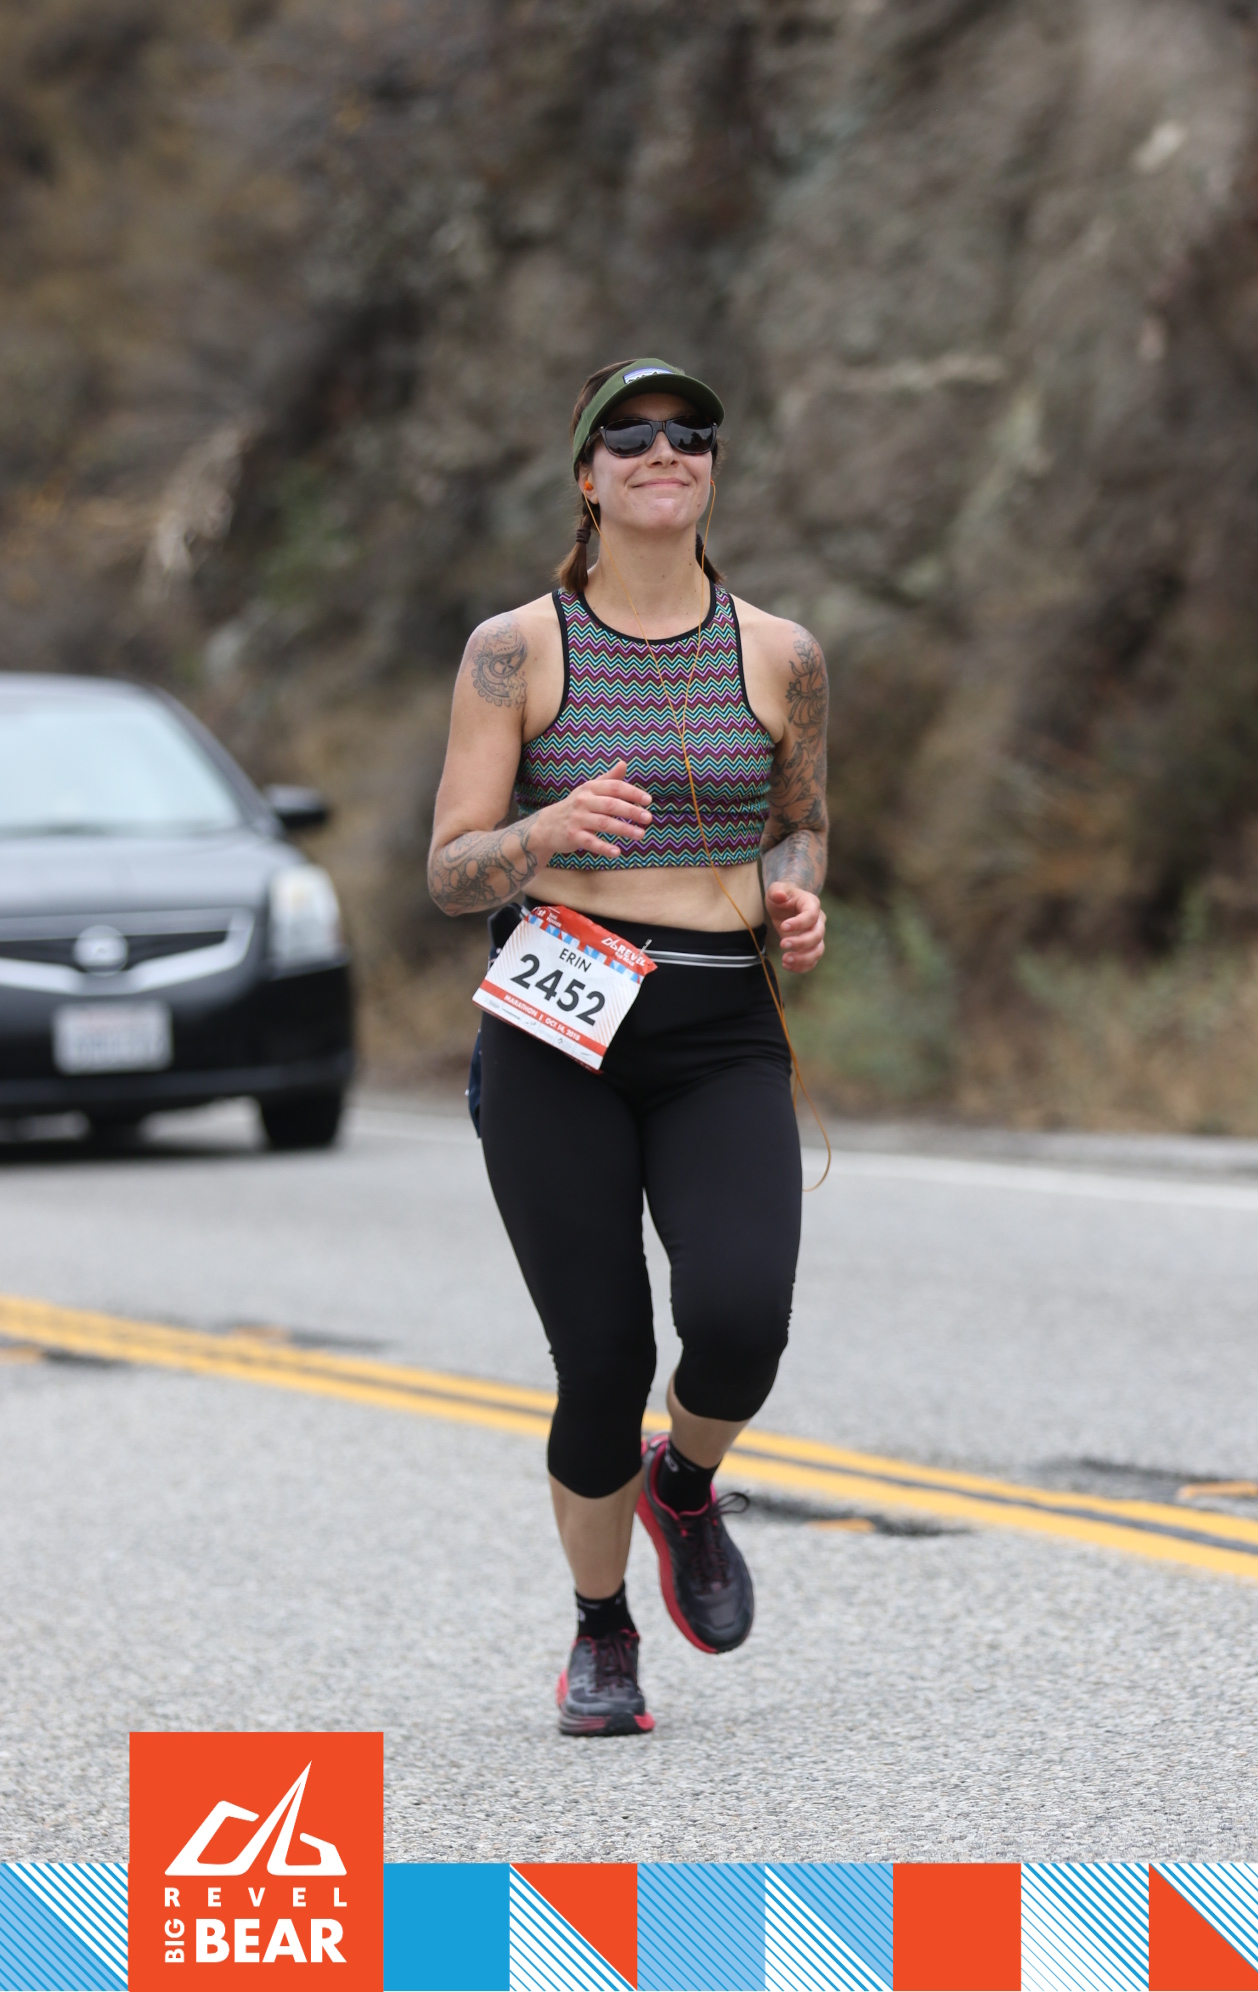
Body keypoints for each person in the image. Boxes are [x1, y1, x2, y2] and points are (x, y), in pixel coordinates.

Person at [428, 357, 828, 1736]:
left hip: (721, 1028)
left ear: (713, 469)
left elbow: (803, 821)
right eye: (632, 435)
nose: (666, 452)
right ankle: (602, 1632)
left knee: (741, 1321)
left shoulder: (782, 654)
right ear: (588, 476)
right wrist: (544, 830)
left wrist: (799, 892)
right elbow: (451, 871)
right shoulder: (514, 649)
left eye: (690, 433)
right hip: (558, 1027)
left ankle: (686, 1483)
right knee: (601, 1358)